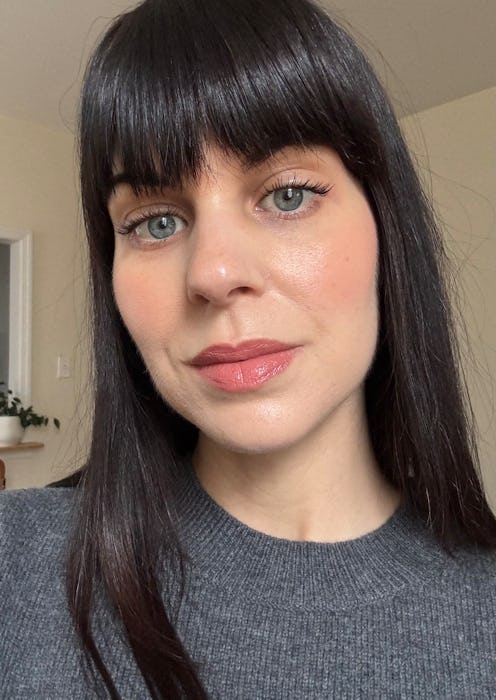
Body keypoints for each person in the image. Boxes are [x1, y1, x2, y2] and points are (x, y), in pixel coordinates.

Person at [1, 0, 495, 697]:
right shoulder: (16, 562)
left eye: (288, 195)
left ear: (388, 228)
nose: (213, 273)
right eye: (155, 221)